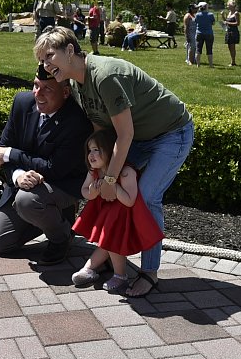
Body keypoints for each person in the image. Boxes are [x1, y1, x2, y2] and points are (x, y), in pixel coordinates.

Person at [34, 27, 193, 298]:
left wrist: (109, 179)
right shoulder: (75, 83)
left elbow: (125, 134)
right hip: (136, 138)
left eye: (49, 56)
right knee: (112, 195)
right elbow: (102, 130)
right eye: (41, 60)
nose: (45, 65)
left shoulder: (106, 76)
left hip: (171, 134)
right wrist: (102, 173)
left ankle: (149, 273)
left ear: (70, 51)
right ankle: (110, 258)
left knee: (145, 196)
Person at [0, 66, 92, 264]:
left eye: (47, 89)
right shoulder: (22, 102)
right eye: (36, 86)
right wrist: (17, 175)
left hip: (62, 183)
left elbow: (54, 168)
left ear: (65, 92)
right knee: (0, 243)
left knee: (27, 201)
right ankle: (50, 216)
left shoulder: (76, 120)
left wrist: (13, 154)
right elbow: (2, 147)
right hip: (25, 185)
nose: (38, 94)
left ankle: (61, 237)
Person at [71, 129, 163, 292]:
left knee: (110, 238)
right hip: (106, 212)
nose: (91, 155)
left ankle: (120, 275)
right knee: (105, 240)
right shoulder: (94, 171)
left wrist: (112, 184)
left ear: (110, 151)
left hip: (125, 214)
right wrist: (93, 190)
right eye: (89, 150)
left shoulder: (126, 172)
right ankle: (89, 269)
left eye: (96, 150)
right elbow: (84, 192)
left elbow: (129, 201)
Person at [192, 2, 215, 68]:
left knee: (198, 49)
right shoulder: (210, 14)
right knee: (209, 49)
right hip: (209, 33)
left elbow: (196, 22)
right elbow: (213, 23)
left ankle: (198, 64)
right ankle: (211, 65)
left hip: (199, 33)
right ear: (206, 7)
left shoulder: (197, 15)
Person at [223, 0, 241, 66]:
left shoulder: (236, 13)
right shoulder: (229, 13)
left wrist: (227, 22)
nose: (227, 6)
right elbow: (226, 21)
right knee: (229, 47)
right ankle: (232, 61)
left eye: (228, 5)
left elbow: (238, 23)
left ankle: (233, 62)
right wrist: (223, 16)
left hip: (233, 32)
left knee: (232, 47)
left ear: (232, 6)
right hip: (228, 31)